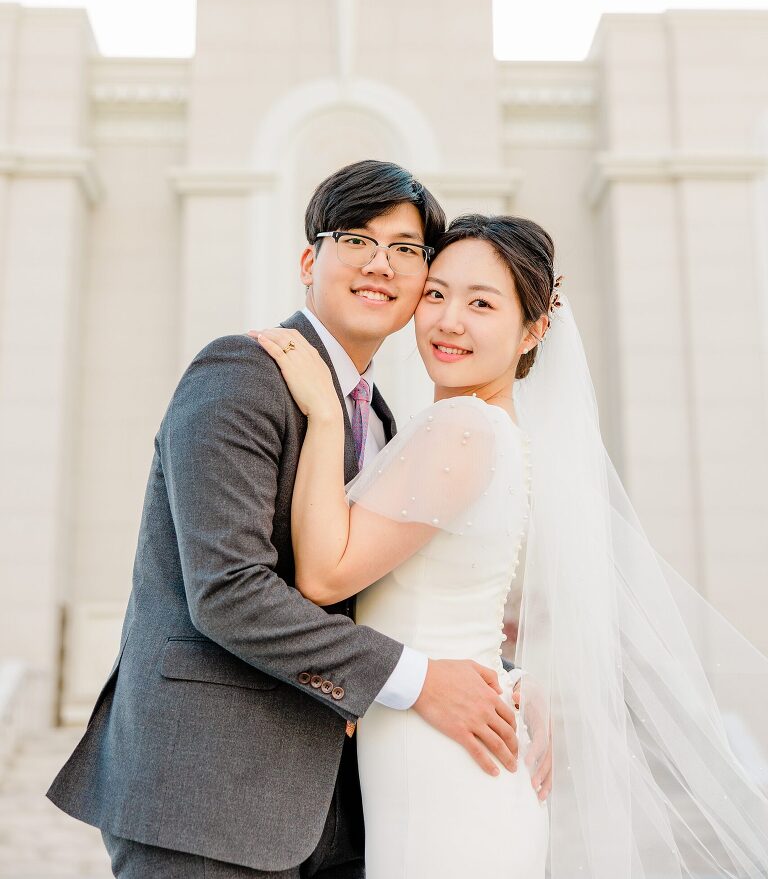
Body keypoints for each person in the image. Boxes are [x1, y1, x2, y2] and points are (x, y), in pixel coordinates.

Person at [47, 161, 547, 879]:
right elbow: (228, 589)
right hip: (210, 797)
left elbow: (391, 593)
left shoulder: (381, 419)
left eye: (408, 251)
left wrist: (507, 680)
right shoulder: (242, 372)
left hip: (345, 810)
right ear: (310, 260)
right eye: (358, 239)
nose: (382, 264)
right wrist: (421, 679)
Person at [256, 213, 768, 879]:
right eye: (436, 293)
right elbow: (453, 595)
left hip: (441, 757)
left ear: (533, 328)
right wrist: (513, 676)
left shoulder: (462, 428)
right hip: (452, 736)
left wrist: (324, 414)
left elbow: (326, 577)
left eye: (481, 303)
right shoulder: (496, 431)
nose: (448, 321)